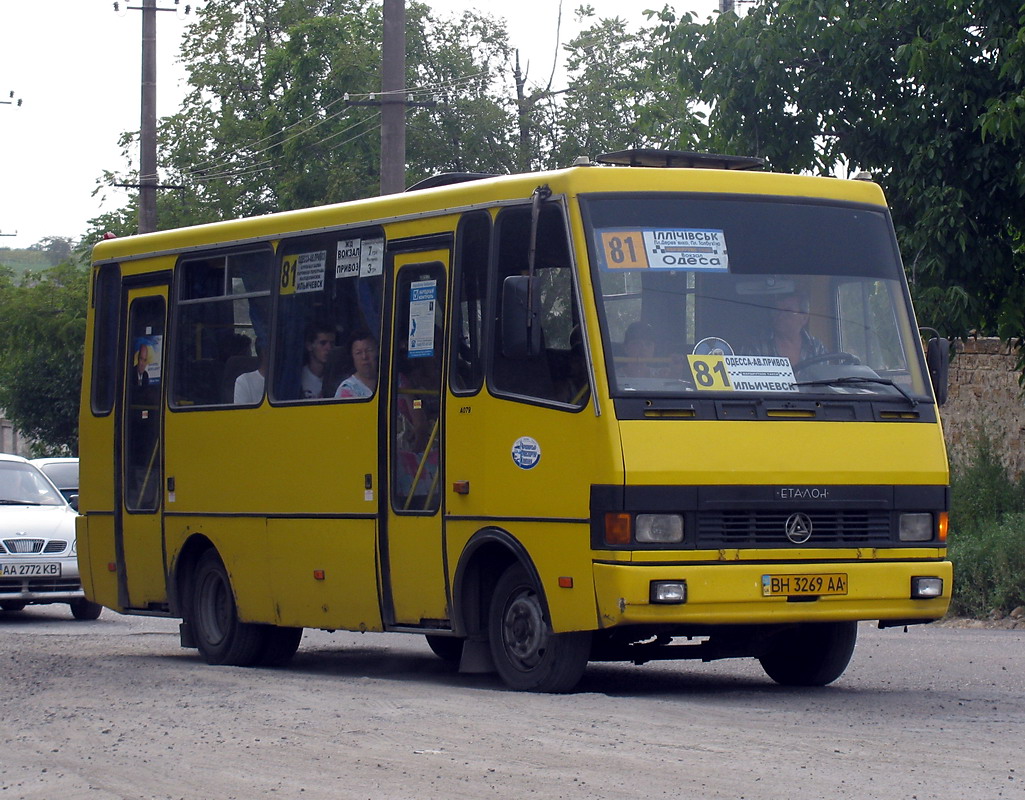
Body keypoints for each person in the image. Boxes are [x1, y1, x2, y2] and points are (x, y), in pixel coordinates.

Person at [748, 292, 826, 365]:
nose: (780, 316)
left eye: (787, 312)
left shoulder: (816, 348)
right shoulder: (757, 346)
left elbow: (825, 377)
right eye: (777, 311)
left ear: (804, 318)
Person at [334, 330, 378, 398]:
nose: (364, 357)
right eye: (358, 353)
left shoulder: (397, 381)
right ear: (352, 357)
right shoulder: (347, 389)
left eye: (369, 350)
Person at [301, 324, 336, 399]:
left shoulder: (337, 379)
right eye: (323, 343)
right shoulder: (298, 379)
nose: (329, 348)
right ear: (309, 346)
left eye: (332, 343)